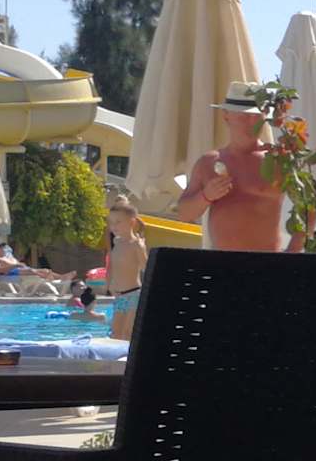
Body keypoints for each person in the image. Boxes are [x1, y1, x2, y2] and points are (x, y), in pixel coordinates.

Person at [174, 86, 293, 253]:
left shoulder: (277, 160)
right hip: (222, 263)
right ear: (226, 115)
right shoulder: (209, 162)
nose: (250, 122)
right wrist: (206, 195)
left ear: (265, 116)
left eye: (256, 116)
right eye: (243, 116)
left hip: (267, 262)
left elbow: (308, 208)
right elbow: (183, 214)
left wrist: (294, 250)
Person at [104, 193, 148, 341]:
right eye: (111, 222)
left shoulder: (135, 244)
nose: (113, 226)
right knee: (115, 334)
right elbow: (113, 265)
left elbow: (146, 268)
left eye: (118, 222)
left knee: (128, 334)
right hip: (119, 295)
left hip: (133, 294)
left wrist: (141, 249)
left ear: (131, 222)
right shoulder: (116, 242)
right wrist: (109, 284)